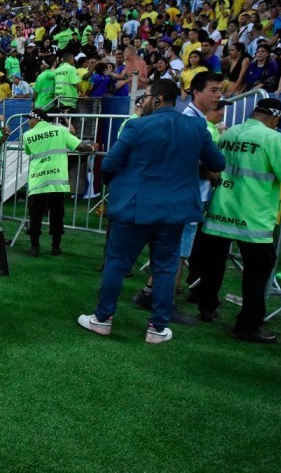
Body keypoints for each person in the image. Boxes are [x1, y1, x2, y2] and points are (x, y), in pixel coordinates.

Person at [77, 79, 225, 344]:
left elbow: (109, 163)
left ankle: (103, 319)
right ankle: (157, 328)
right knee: (165, 268)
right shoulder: (197, 127)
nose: (142, 101)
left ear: (157, 99)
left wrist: (118, 183)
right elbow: (218, 162)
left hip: (135, 208)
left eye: (145, 96)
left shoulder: (137, 126)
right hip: (174, 212)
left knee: (117, 264)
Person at [191, 99, 281, 342]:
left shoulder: (230, 133)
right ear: (276, 118)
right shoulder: (273, 138)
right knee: (258, 271)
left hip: (221, 210)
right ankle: (248, 324)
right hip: (252, 216)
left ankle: (206, 306)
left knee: (214, 264)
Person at [22, 108, 94, 257]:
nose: (28, 122)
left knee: (35, 216)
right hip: (57, 182)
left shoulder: (27, 135)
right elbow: (81, 147)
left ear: (37, 119)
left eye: (30, 119)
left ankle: (34, 248)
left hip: (38, 181)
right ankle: (55, 247)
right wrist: (92, 148)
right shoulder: (60, 131)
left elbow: (28, 152)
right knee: (57, 216)